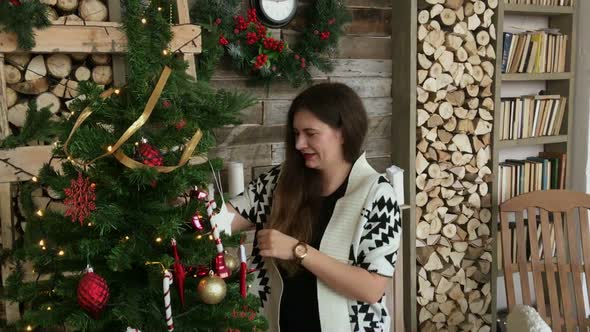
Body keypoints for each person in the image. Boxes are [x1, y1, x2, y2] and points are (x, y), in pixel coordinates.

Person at [227, 82, 402, 332]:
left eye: (310, 133)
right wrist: (186, 206)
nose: (299, 144)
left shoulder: (378, 194)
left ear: (343, 132)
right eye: (296, 133)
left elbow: (371, 289)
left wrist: (299, 251)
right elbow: (223, 220)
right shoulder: (277, 181)